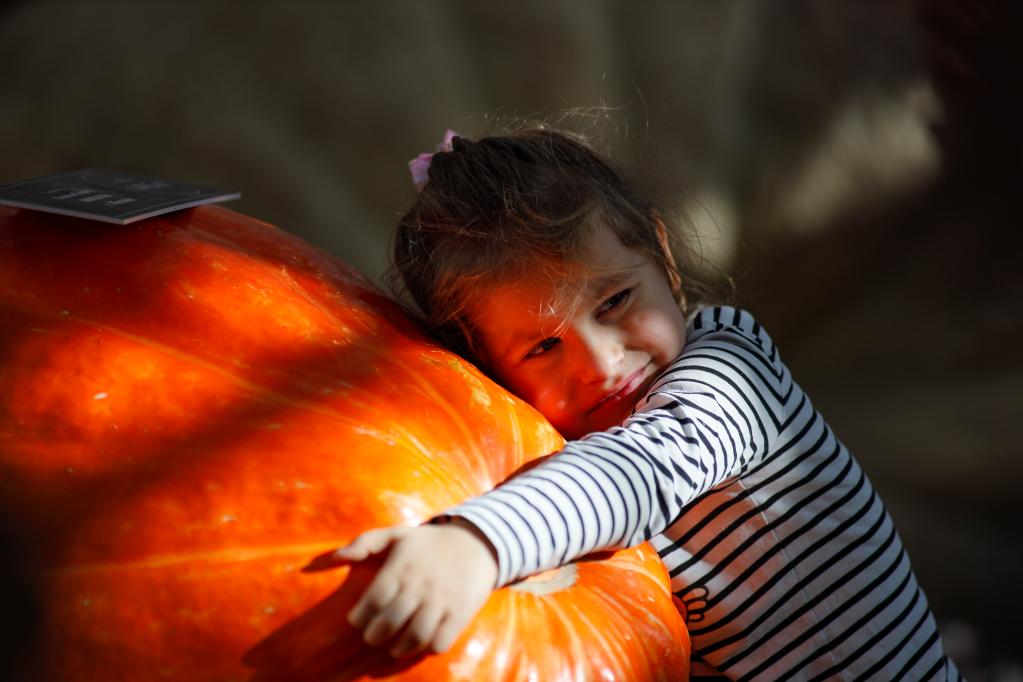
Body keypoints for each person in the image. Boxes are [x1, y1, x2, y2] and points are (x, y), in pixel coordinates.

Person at [310, 126, 961, 679]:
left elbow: (640, 472)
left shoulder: (729, 375)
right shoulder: (565, 446)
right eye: (541, 348)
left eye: (614, 302)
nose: (599, 363)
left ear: (664, 259)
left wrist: (476, 544)